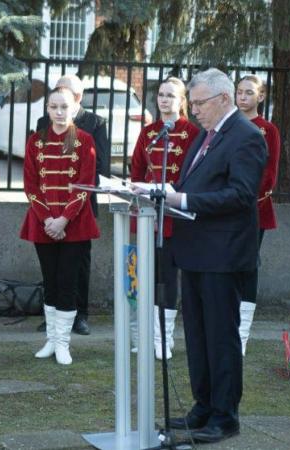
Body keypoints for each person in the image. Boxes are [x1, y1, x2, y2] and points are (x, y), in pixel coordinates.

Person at [165, 69, 266, 443]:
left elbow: (241, 195)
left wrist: (183, 200)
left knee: (221, 337)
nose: (193, 111)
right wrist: (164, 193)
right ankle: (203, 406)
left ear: (224, 99)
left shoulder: (246, 136)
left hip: (223, 255)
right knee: (197, 334)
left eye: (199, 103)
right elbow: (194, 183)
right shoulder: (207, 135)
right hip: (195, 251)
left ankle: (225, 416)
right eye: (191, 104)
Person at [21, 86, 100, 365]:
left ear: (74, 108)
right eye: (54, 107)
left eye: (64, 107)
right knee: (50, 282)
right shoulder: (35, 141)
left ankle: (63, 343)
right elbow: (31, 185)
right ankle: (52, 340)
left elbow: (85, 184)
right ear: (47, 109)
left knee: (68, 283)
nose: (59, 112)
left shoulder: (85, 140)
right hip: (43, 223)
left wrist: (64, 219)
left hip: (74, 224)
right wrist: (48, 220)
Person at [129, 77, 199, 360]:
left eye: (171, 95)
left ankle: (163, 338)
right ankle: (147, 335)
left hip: (175, 216)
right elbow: (137, 169)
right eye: (161, 94)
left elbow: (195, 173)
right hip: (148, 213)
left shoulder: (192, 132)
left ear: (182, 101)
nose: (164, 100)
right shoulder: (148, 132)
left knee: (168, 278)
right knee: (146, 276)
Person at [35, 74, 110, 335]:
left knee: (79, 264)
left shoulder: (95, 123)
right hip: (49, 208)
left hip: (80, 205)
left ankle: (80, 314)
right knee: (53, 268)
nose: (59, 108)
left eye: (65, 96)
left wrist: (75, 194)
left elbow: (100, 166)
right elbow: (37, 170)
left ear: (77, 98)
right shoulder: (43, 124)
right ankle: (53, 317)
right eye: (54, 101)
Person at [235, 75, 281, 355]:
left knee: (248, 266)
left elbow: (269, 172)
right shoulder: (228, 124)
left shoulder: (268, 130)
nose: (243, 97)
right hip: (225, 209)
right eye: (239, 92)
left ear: (260, 97)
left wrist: (244, 197)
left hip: (253, 208)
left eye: (249, 92)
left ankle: (243, 333)